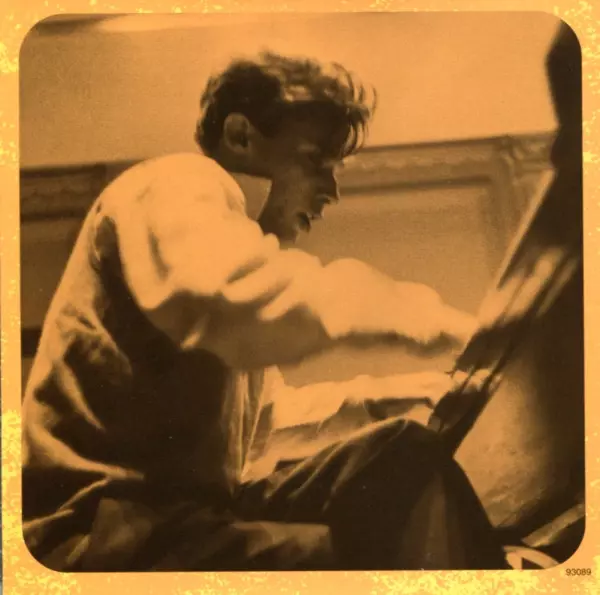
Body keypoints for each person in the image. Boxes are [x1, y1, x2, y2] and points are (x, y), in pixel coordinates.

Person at [22, 51, 505, 571]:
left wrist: (402, 396)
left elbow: (266, 426)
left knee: (401, 453)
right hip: (94, 536)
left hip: (166, 524)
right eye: (316, 161)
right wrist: (421, 316)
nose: (332, 192)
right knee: (372, 540)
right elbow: (219, 293)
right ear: (240, 136)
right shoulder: (177, 181)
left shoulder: (221, 242)